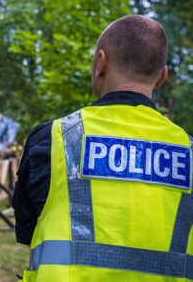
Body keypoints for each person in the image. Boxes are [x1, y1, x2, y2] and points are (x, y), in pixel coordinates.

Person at [13, 15, 193, 282]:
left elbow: (26, 231)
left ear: (100, 62)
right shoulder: (188, 152)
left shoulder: (53, 139)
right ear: (162, 76)